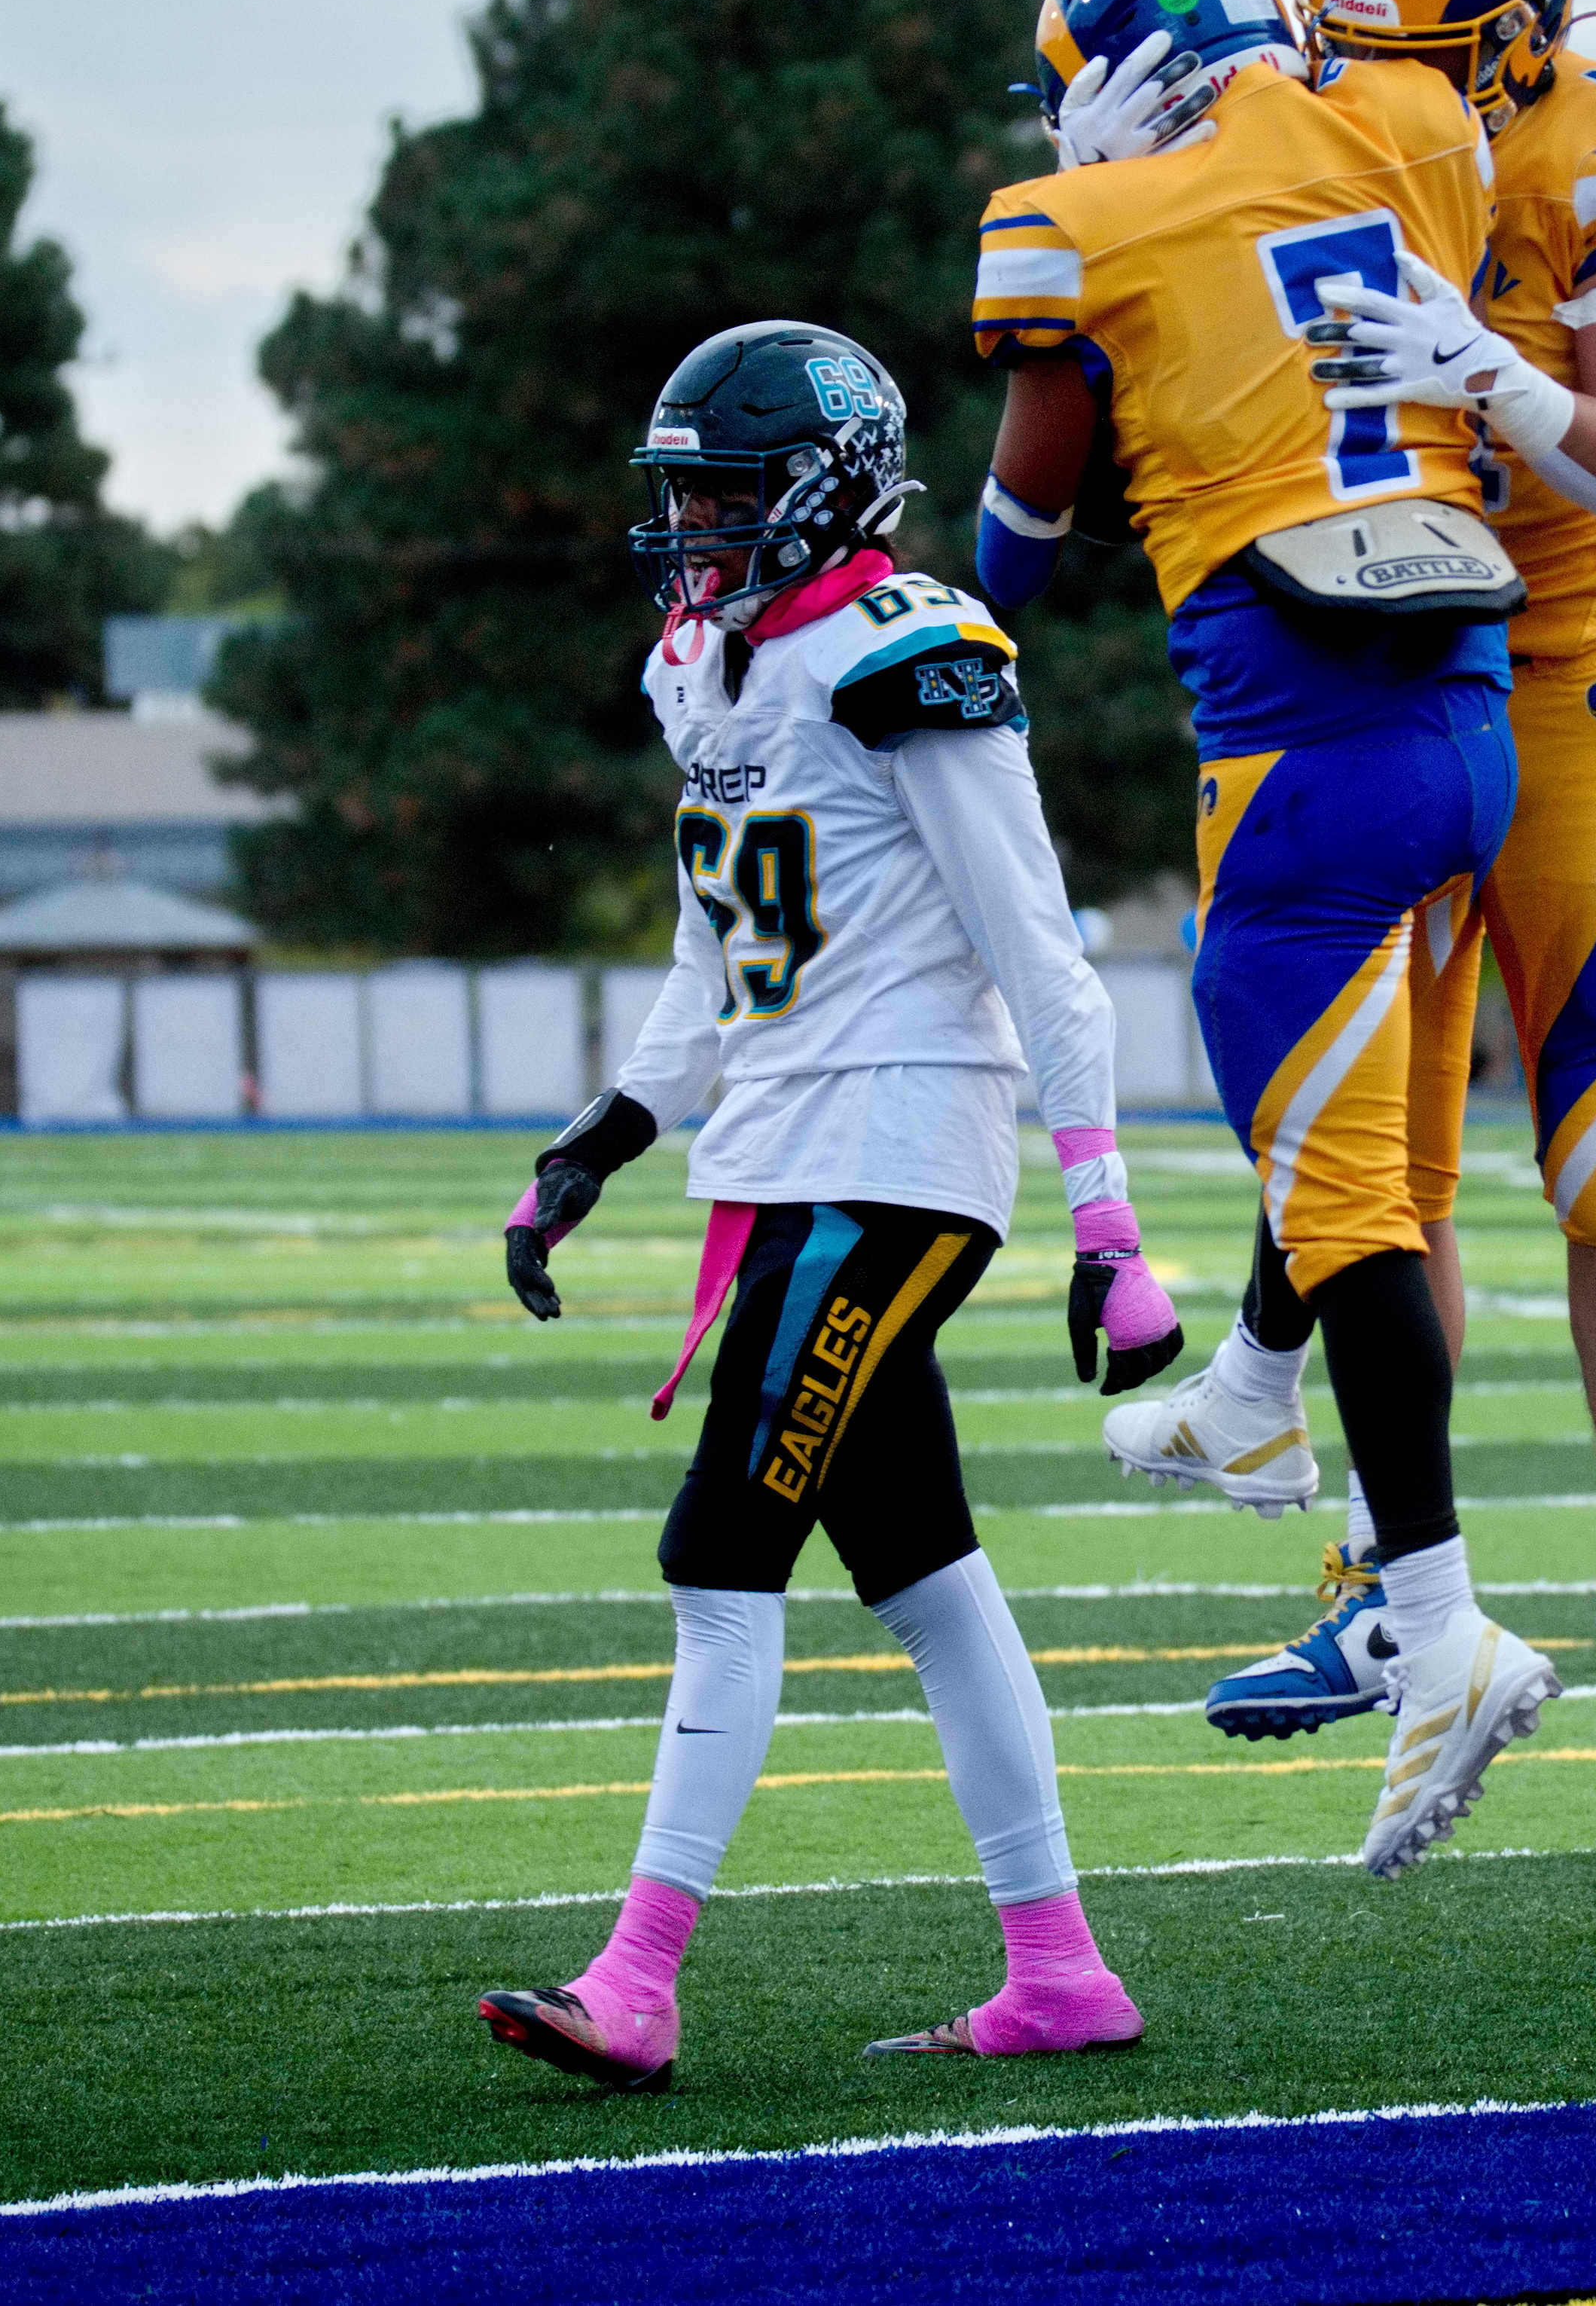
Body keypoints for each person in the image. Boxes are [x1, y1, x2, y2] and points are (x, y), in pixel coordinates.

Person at [1088, 0, 1596, 1794]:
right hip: (1376, 665)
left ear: (1512, 33)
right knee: (1388, 1166)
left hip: (1562, 674)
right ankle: (1392, 1577)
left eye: (1388, 26)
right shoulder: (1344, 111)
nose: (1346, 52)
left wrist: (1497, 377)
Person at [471, 322, 1176, 2091]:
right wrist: (606, 1133)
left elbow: (1044, 954)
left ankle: (637, 1975)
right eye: (678, 489)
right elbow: (725, 941)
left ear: (822, 485)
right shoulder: (703, 667)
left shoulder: (907, 654)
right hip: (790, 1149)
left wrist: (1108, 1221)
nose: (690, 520)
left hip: (894, 1159)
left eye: (720, 486)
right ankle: (1061, 1967)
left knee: (719, 1557)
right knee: (926, 1577)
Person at [971, 0, 1556, 1878]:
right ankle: (1241, 1393)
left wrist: (960, 608)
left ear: (1109, 64)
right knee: (1364, 1152)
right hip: (1473, 718)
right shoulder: (1406, 124)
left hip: (1300, 750)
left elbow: (1027, 518)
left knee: (1349, 1191)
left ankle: (1446, 1631)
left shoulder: (1082, 217)